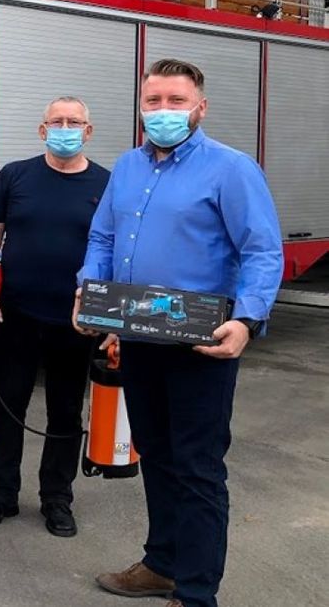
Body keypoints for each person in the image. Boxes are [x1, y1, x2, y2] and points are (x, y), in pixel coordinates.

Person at [74, 59, 283, 607]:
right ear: (141, 107)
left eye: (175, 100)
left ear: (200, 107)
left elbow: (262, 250)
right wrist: (91, 295)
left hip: (201, 346)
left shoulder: (231, 170)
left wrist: (246, 319)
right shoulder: (126, 167)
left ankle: (195, 593)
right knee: (157, 457)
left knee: (197, 469)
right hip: (138, 338)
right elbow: (102, 239)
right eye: (153, 102)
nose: (163, 111)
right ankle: (162, 563)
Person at [0, 96, 110, 537]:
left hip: (76, 320)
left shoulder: (108, 184)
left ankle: (57, 499)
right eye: (57, 121)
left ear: (88, 131)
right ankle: (1, 494)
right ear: (42, 129)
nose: (65, 128)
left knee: (65, 412)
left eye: (74, 122)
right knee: (6, 406)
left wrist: (109, 319)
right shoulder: (15, 176)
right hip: (17, 315)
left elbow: (116, 251)